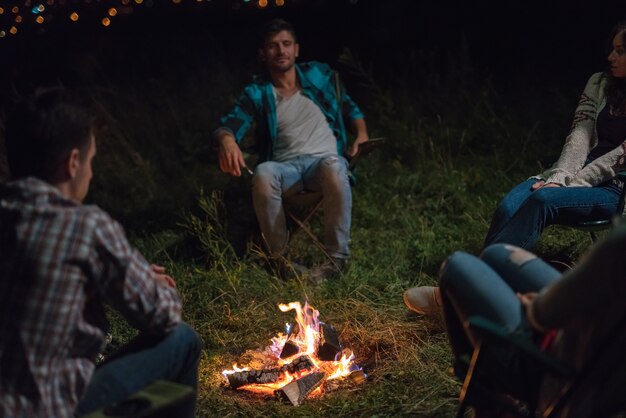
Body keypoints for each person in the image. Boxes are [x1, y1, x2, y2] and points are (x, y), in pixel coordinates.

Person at [0, 88, 201, 418]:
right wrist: (146, 282)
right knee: (183, 339)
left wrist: (99, 280)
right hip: (49, 408)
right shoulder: (85, 227)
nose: (91, 173)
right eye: (91, 161)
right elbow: (160, 314)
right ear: (73, 163)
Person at [403, 20, 626, 315]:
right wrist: (560, 177)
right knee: (509, 204)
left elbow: (619, 158)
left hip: (613, 188)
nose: (611, 57)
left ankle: (462, 294)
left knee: (542, 200)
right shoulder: (599, 83)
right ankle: (481, 298)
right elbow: (580, 133)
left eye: (621, 51)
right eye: (612, 49)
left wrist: (571, 185)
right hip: (573, 173)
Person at [214, 18, 369, 282]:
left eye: (286, 44)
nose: (281, 51)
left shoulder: (319, 75)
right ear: (263, 53)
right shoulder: (258, 92)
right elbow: (228, 125)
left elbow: (350, 107)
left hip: (323, 163)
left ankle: (337, 259)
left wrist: (362, 134)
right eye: (273, 46)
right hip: (286, 169)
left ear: (296, 49)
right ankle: (280, 261)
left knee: (334, 165)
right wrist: (227, 141)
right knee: (262, 172)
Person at [437, 225, 626, 417]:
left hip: (555, 374)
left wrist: (538, 303)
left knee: (455, 264)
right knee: (498, 253)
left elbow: (540, 317)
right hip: (591, 341)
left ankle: (489, 403)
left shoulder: (619, 245)